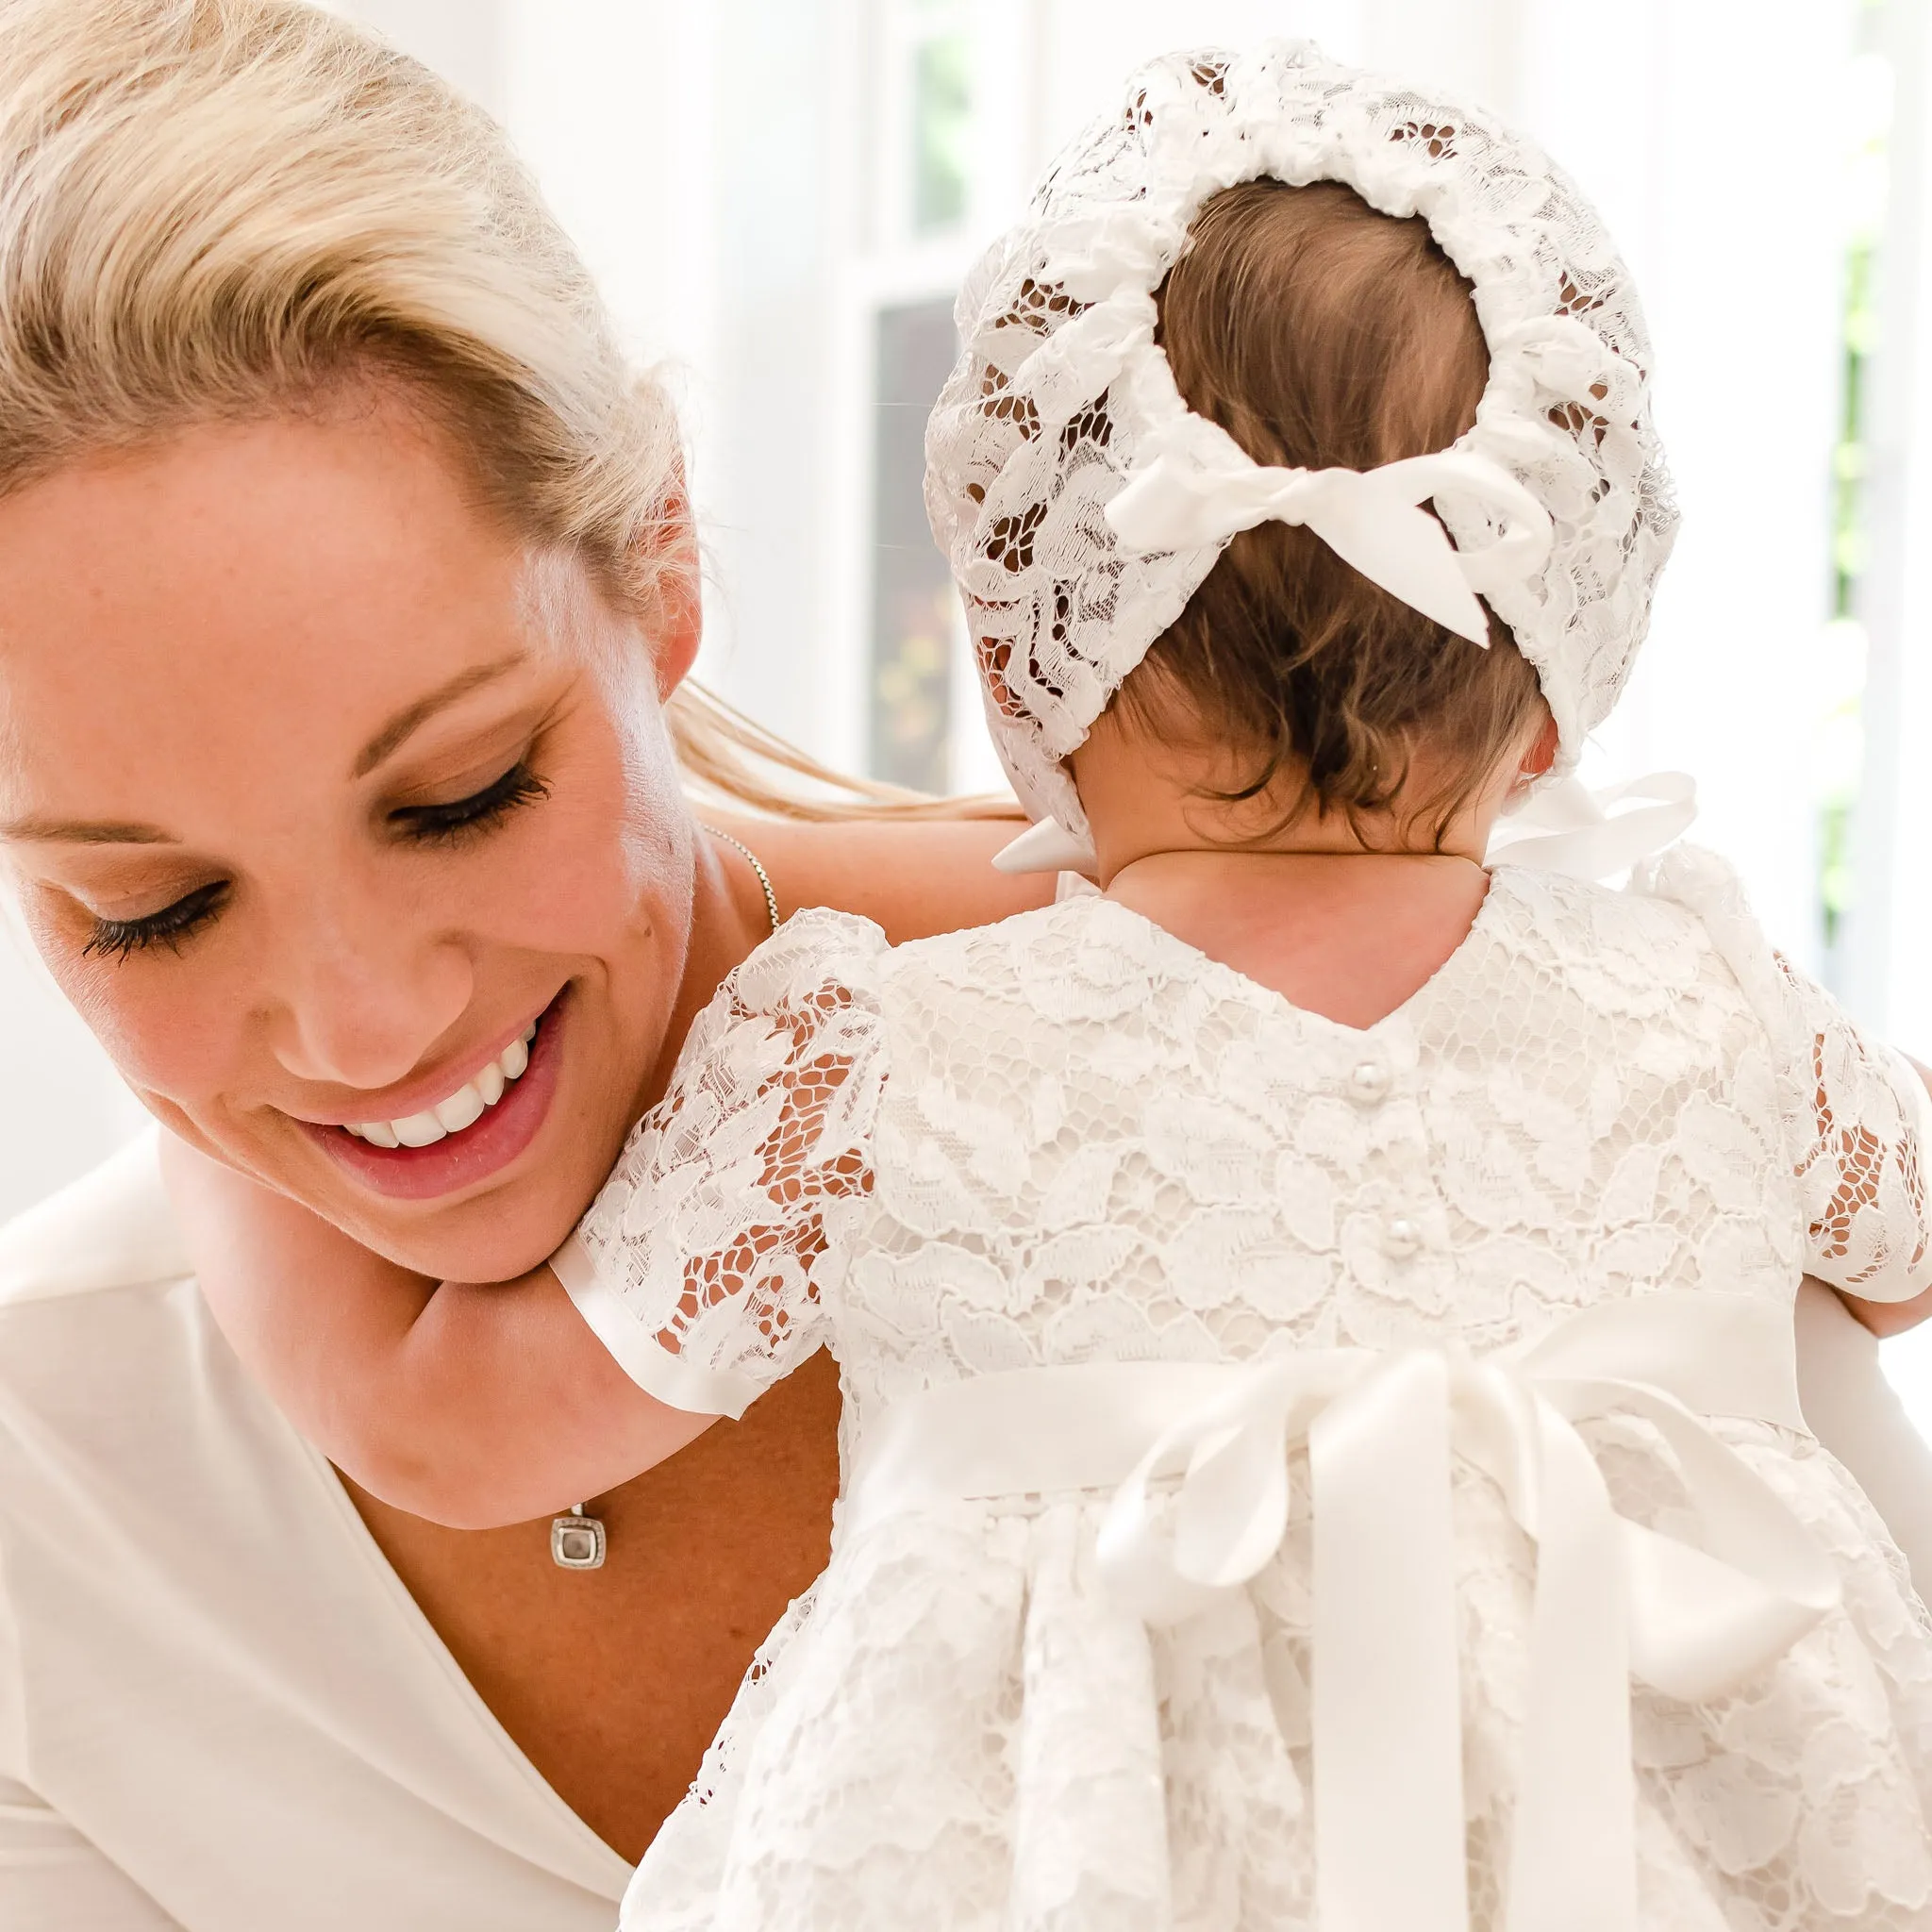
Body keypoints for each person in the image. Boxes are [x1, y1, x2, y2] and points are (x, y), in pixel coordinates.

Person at [170, 42, 1932, 1932]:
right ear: (1562, 693)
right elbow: (1897, 1252)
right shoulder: (1714, 1006)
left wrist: (201, 1113)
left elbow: (463, 1428)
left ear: (1018, 675)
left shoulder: (868, 1061)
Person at [0, 4, 1058, 1926]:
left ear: (658, 564)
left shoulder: (1230, 1058)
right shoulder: (43, 1507)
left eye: (466, 793)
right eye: (151, 906)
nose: (368, 1026)